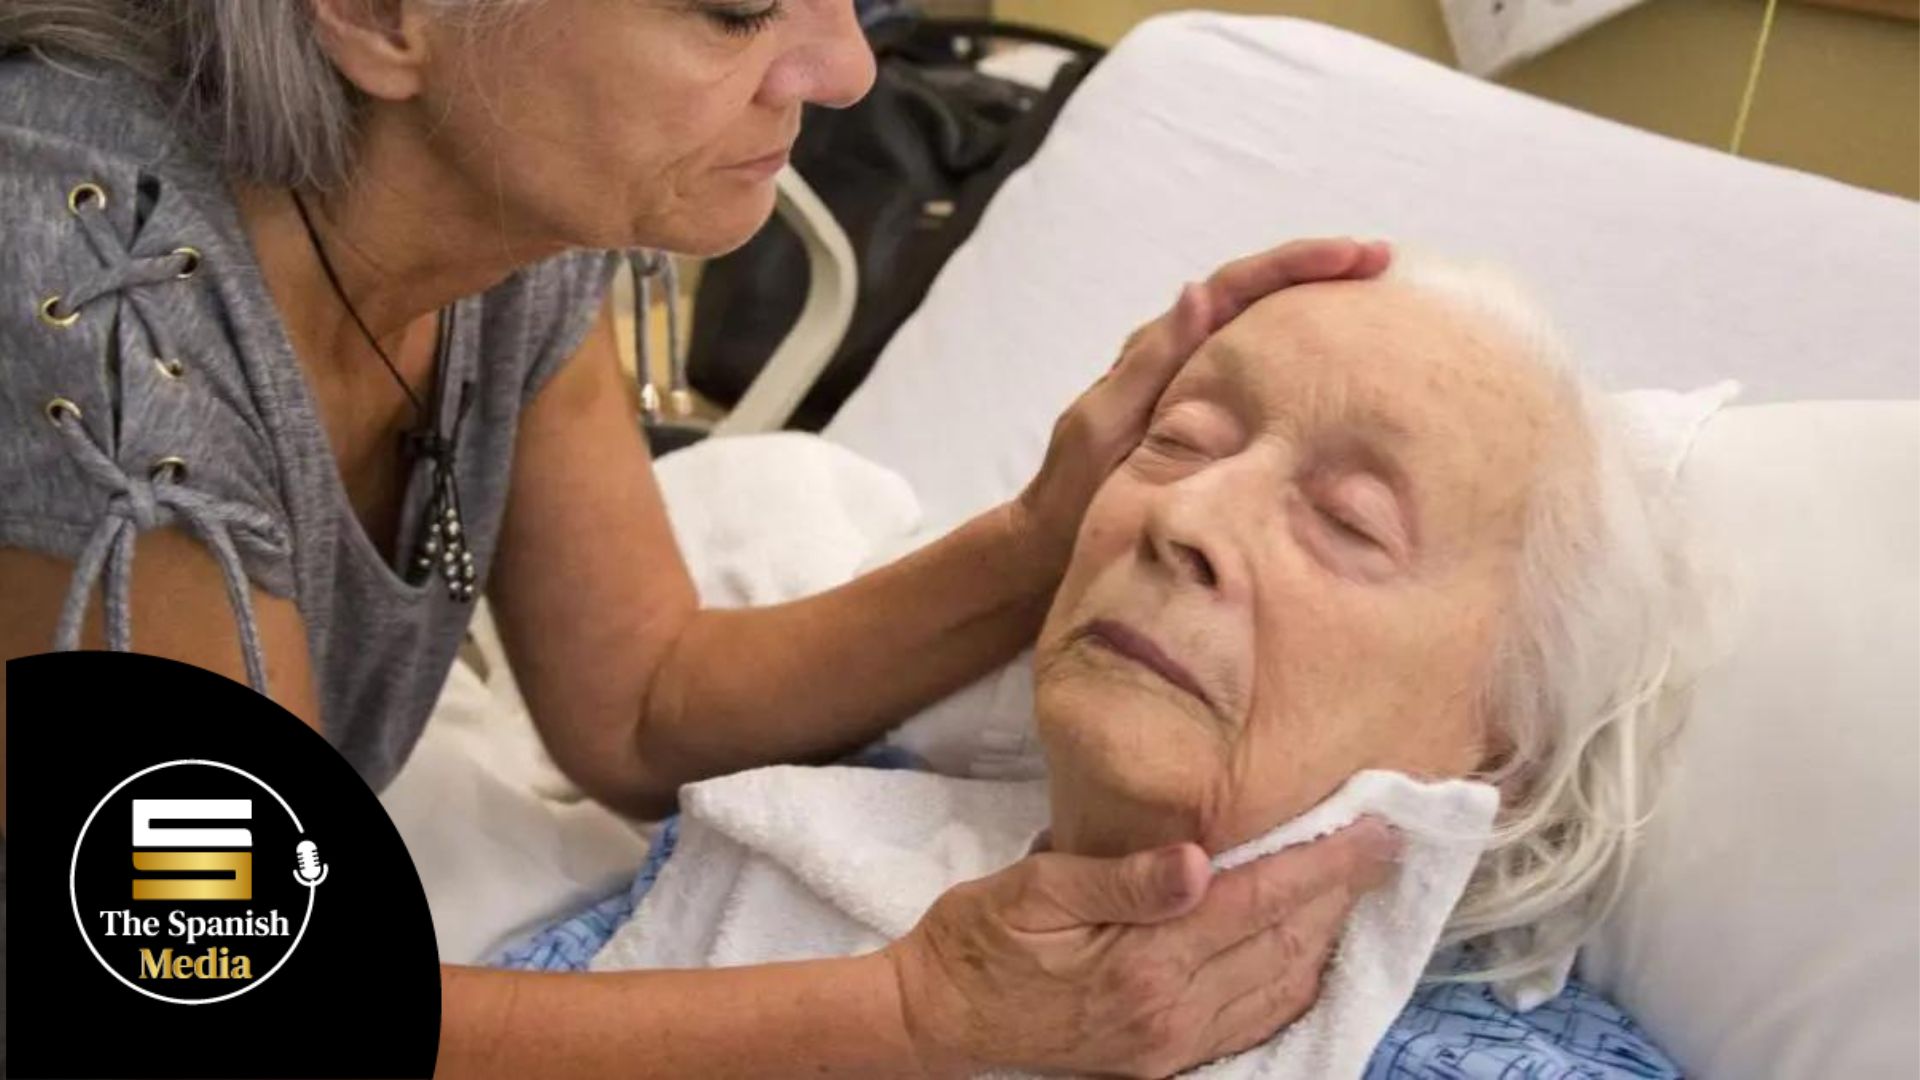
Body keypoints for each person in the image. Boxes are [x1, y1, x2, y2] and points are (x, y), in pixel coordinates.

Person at [0, 2, 1401, 1075]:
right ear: (381, 15)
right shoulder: (86, 310)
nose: (845, 69)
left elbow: (637, 699)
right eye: (735, 8)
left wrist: (1046, 535)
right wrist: (923, 1010)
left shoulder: (499, 221)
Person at [572, 256, 1701, 1076]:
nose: (1184, 514)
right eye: (1179, 440)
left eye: (1349, 520)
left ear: (1504, 745)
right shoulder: (769, 850)